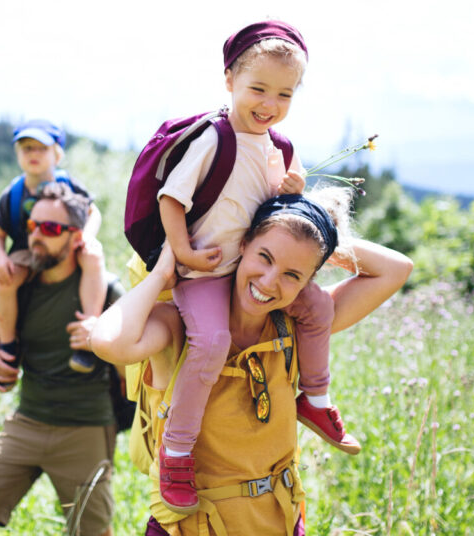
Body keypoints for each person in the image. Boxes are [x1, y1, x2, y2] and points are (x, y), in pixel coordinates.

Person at [90, 191, 413, 535]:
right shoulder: (180, 325)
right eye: (265, 256)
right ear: (241, 244)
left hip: (280, 522)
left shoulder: (294, 328)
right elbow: (109, 342)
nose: (269, 281)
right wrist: (160, 276)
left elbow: (395, 269)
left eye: (293, 274)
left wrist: (312, 235)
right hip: (195, 527)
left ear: (307, 282)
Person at [149, 20, 358, 513]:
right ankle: (176, 451)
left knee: (317, 309)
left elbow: (287, 194)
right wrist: (182, 254)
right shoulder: (213, 139)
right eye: (258, 89)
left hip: (250, 267)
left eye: (284, 94)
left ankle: (316, 398)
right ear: (229, 81)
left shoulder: (277, 146)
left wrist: (292, 185)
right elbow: (171, 199)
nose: (270, 103)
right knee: (212, 342)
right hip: (206, 271)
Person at [0, 183, 122, 536]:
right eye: (33, 227)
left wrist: (103, 339)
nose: (36, 237)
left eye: (50, 229)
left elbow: (132, 362)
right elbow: (3, 332)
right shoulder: (22, 282)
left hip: (86, 427)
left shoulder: (105, 290)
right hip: (28, 421)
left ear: (76, 237)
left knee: (94, 532)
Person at [0, 119, 106, 375]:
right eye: (26, 148)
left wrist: (86, 236)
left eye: (41, 148)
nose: (33, 154)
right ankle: (8, 345)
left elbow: (93, 212)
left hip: (68, 245)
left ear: (57, 154)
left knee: (93, 257)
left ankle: (87, 333)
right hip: (27, 250)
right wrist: (0, 259)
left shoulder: (70, 185)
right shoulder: (12, 193)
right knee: (6, 281)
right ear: (17, 153)